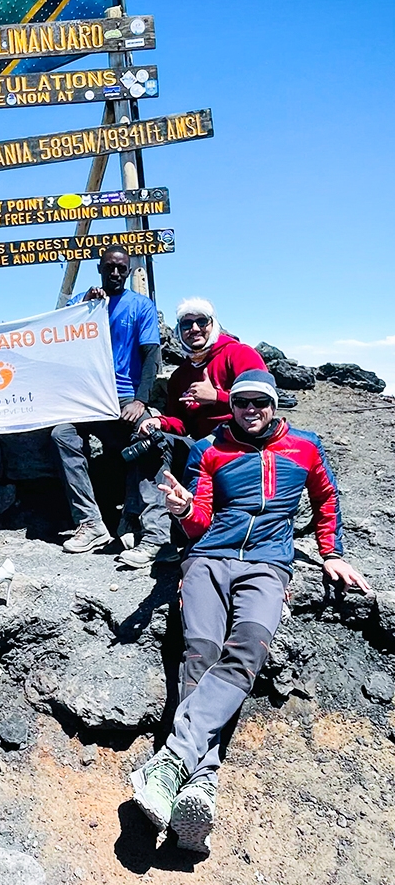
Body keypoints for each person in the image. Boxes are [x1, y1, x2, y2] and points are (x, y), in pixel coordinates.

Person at [130, 369, 371, 855]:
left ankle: (172, 761)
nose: (252, 410)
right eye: (243, 403)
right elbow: (199, 523)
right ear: (232, 406)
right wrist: (181, 510)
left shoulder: (305, 446)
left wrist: (332, 553)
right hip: (209, 560)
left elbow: (326, 499)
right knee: (200, 653)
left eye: (261, 402)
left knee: (246, 650)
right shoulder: (208, 448)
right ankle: (203, 781)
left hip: (268, 564)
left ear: (274, 404)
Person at [50, 247, 170, 557]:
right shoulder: (81, 304)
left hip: (124, 395)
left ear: (129, 271)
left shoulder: (141, 306)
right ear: (99, 268)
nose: (115, 273)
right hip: (86, 396)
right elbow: (57, 341)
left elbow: (149, 357)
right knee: (62, 434)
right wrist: (86, 309)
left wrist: (141, 401)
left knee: (149, 438)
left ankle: (147, 527)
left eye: (121, 268)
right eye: (109, 267)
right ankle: (90, 523)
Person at [137, 297, 268, 441]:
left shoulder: (240, 354)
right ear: (178, 331)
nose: (194, 329)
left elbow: (262, 399)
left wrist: (216, 397)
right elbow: (180, 423)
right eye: (187, 324)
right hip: (200, 444)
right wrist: (159, 422)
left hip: (242, 437)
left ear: (213, 325)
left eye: (202, 321)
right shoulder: (179, 376)